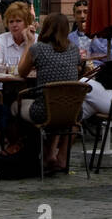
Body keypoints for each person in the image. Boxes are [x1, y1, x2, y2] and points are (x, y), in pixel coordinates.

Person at [17, 12, 80, 170]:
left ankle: (25, 151)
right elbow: (78, 68)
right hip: (73, 110)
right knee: (63, 112)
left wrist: (29, 43)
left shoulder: (38, 48)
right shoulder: (74, 49)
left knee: (14, 106)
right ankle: (59, 156)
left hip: (44, 111)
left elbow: (21, 72)